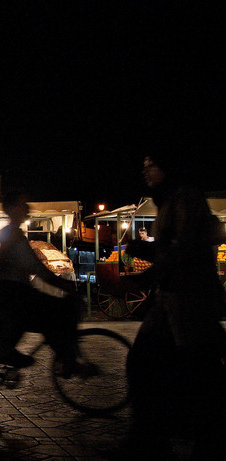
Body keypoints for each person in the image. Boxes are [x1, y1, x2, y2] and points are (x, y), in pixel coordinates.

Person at [122, 154, 226, 458]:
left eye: (151, 165)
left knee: (192, 367)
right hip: (170, 299)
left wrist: (151, 272)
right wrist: (143, 248)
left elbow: (185, 246)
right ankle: (156, 434)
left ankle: (165, 435)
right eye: (143, 167)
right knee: (152, 363)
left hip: (188, 299)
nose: (146, 172)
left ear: (167, 166)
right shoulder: (167, 200)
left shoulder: (184, 197)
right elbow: (169, 245)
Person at [0, 184, 86, 374]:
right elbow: (30, 266)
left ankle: (1, 353)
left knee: (30, 309)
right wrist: (59, 283)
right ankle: (3, 353)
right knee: (28, 307)